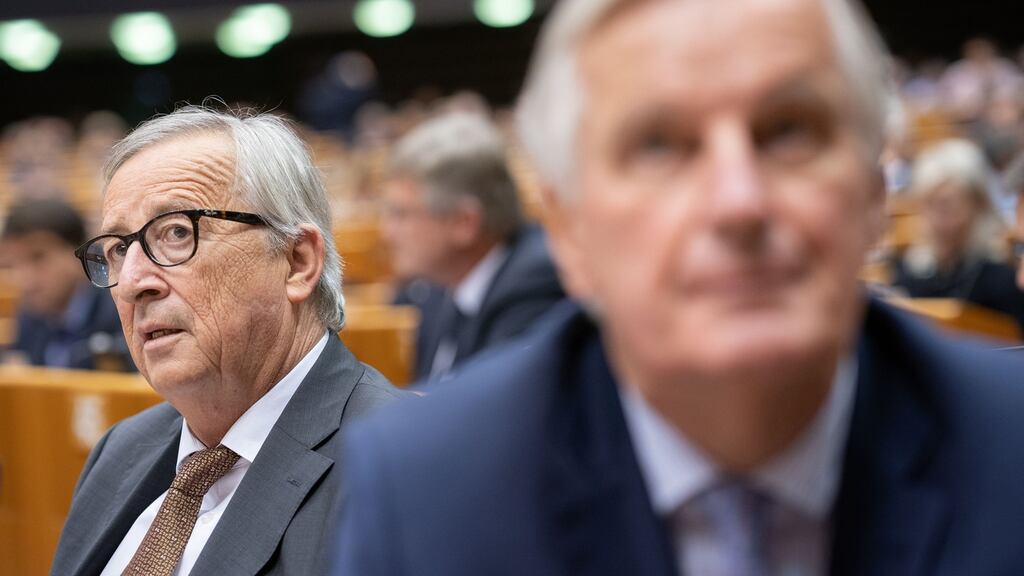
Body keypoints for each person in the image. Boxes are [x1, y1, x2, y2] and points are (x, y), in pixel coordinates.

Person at [333, 0, 1024, 574]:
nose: (738, 201)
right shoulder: (430, 496)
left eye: (788, 131)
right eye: (658, 146)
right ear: (570, 233)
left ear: (874, 194)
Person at [51, 106, 400, 576]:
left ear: (296, 262)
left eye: (176, 232)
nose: (132, 282)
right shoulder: (121, 450)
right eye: (117, 249)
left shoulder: (405, 466)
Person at [380, 111, 565, 380]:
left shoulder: (534, 288)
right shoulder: (441, 281)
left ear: (464, 223)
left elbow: (492, 410)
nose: (387, 233)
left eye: (402, 214)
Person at [892, 139, 1024, 330]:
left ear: (977, 205)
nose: (935, 219)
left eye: (947, 205)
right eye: (928, 204)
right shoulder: (907, 274)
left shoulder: (1003, 280)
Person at [1, 198, 132, 370]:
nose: (25, 280)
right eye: (13, 264)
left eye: (38, 257)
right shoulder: (29, 314)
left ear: (79, 252)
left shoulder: (121, 310)